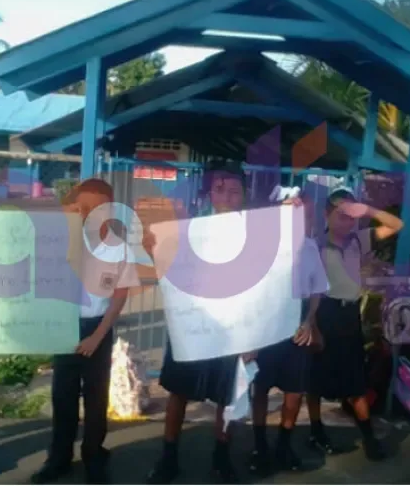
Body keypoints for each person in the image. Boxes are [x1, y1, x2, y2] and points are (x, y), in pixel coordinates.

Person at [145, 161, 254, 484]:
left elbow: (261, 289)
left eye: (235, 190)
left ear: (244, 196)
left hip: (232, 331)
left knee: (227, 397)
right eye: (221, 188)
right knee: (178, 392)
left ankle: (221, 459)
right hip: (192, 327)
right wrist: (155, 249)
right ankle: (169, 457)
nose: (228, 196)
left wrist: (254, 339)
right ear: (210, 193)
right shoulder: (188, 229)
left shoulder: (255, 237)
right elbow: (169, 271)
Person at [32, 178, 140, 485]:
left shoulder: (118, 248)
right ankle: (59, 458)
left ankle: (94, 453)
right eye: (84, 207)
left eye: (98, 208)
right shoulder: (62, 242)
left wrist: (98, 335)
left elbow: (119, 296)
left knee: (95, 398)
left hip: (98, 327)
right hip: (66, 325)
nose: (91, 214)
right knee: (62, 397)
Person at [305, 187, 403, 461]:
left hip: (349, 316)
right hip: (324, 312)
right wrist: (311, 324)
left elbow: (396, 225)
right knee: (315, 378)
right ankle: (316, 431)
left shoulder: (359, 240)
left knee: (355, 380)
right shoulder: (316, 244)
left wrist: (368, 211)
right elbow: (310, 287)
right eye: (341, 213)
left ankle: (369, 437)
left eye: (351, 214)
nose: (347, 220)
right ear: (327, 214)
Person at [249, 194, 328, 477]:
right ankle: (259, 445)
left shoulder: (309, 248)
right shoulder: (261, 246)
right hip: (266, 326)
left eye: (304, 216)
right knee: (260, 389)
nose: (298, 220)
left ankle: (284, 444)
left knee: (295, 391)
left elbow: (317, 289)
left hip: (297, 328)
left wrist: (309, 321)